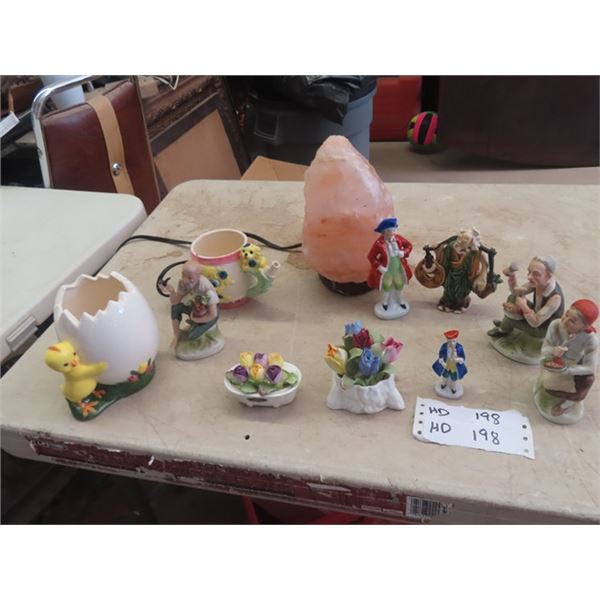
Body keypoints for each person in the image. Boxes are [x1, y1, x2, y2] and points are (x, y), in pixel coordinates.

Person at [538, 299, 598, 420]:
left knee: (587, 382)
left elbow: (590, 368)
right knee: (548, 385)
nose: (565, 321)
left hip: (574, 367)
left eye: (572, 321)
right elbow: (544, 350)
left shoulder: (591, 339)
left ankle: (568, 404)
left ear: (585, 326)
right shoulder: (555, 325)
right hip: (554, 363)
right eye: (566, 314)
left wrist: (567, 370)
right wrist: (553, 350)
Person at [416, 227, 500, 313]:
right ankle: (446, 303)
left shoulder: (475, 252)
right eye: (460, 241)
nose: (461, 244)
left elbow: (485, 264)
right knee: (449, 289)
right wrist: (437, 249)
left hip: (464, 277)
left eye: (465, 243)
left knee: (461, 292)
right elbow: (444, 259)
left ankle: (460, 305)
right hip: (451, 273)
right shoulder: (451, 247)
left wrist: (483, 273)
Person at [487, 256, 564, 340]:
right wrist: (512, 277)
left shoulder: (555, 298)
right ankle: (506, 323)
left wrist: (523, 307)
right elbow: (516, 292)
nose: (529, 277)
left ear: (549, 276)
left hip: (542, 328)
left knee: (511, 319)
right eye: (529, 272)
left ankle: (503, 330)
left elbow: (535, 322)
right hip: (535, 312)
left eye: (536, 274)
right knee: (513, 298)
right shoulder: (539, 282)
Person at [159, 260, 220, 347]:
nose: (186, 280)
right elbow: (175, 302)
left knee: (191, 336)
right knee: (176, 308)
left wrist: (196, 320)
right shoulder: (183, 283)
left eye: (190, 277)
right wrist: (171, 292)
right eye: (184, 276)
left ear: (198, 276)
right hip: (195, 308)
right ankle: (177, 334)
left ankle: (204, 332)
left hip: (208, 312)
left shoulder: (207, 290)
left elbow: (213, 314)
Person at [367, 217, 413, 319]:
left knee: (399, 284)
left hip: (398, 269)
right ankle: (384, 303)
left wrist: (403, 253)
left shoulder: (398, 239)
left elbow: (409, 246)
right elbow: (371, 257)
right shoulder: (379, 244)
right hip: (387, 270)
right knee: (386, 286)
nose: (391, 233)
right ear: (383, 232)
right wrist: (379, 267)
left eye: (393, 230)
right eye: (388, 231)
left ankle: (399, 301)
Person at [432, 330, 468, 398]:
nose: (451, 343)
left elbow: (463, 357)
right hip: (447, 364)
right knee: (445, 375)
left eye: (453, 341)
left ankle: (453, 388)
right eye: (449, 341)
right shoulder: (444, 346)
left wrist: (458, 360)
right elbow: (441, 354)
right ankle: (443, 384)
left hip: (454, 366)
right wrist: (442, 362)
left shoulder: (459, 348)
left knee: (454, 378)